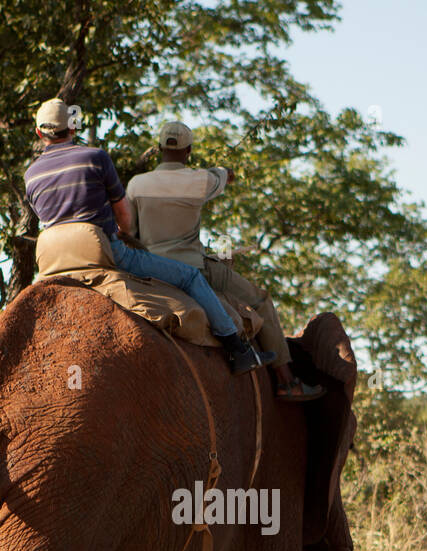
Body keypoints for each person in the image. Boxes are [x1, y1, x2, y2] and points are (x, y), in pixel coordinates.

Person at [23, 99, 271, 376]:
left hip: (50, 263)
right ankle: (237, 348)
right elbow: (123, 215)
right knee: (190, 277)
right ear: (72, 128)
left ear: (39, 133)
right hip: (103, 252)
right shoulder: (95, 157)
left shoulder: (30, 175)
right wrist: (126, 234)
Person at [125, 119, 324, 403]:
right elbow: (222, 176)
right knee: (261, 301)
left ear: (158, 149)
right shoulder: (200, 180)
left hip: (149, 269)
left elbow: (130, 233)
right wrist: (225, 173)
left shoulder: (135, 185)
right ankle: (287, 381)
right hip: (194, 266)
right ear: (189, 150)